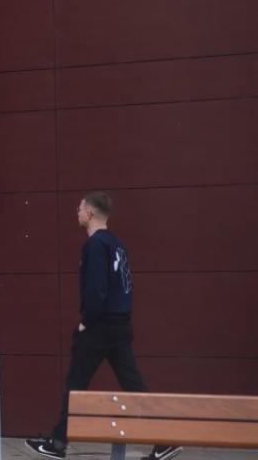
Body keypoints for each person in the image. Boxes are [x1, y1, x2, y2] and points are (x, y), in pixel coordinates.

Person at [26, 193, 181, 460]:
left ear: (90, 213)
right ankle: (164, 440)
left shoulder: (95, 245)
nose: (77, 212)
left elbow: (96, 288)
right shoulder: (117, 245)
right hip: (120, 324)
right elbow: (124, 284)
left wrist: (87, 321)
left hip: (99, 326)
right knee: (133, 383)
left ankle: (58, 444)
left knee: (75, 383)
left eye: (79, 208)